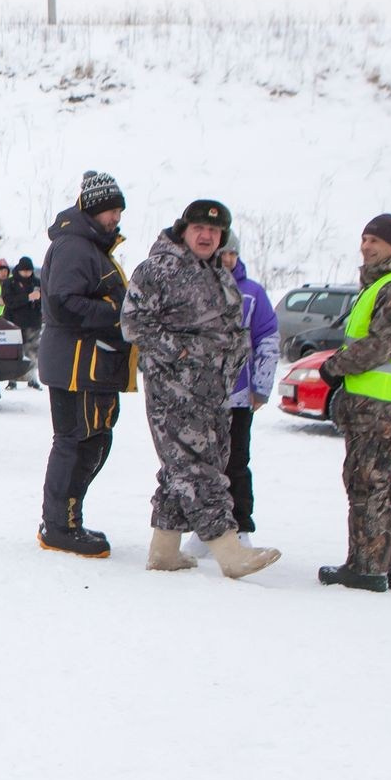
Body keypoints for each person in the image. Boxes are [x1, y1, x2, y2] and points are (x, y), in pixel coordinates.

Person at [120, 200, 281, 579]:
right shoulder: (158, 269)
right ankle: (230, 552)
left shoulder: (215, 272)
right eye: (199, 229)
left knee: (186, 466)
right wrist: (181, 351)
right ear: (183, 231)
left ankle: (164, 551)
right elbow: (133, 323)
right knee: (196, 469)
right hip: (174, 389)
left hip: (213, 391)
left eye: (214, 231)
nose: (207, 236)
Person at [318, 213, 391, 593]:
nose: (366, 247)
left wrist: (335, 366)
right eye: (364, 239)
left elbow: (385, 343)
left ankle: (367, 568)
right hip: (374, 401)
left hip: (381, 405)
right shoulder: (384, 284)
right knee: (386, 481)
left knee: (366, 482)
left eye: (375, 241)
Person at [37, 171, 136, 557]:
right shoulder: (76, 247)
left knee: (93, 442)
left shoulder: (89, 246)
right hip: (78, 364)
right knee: (77, 444)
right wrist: (115, 310)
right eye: (111, 210)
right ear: (93, 209)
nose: (116, 218)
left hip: (90, 365)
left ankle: (66, 520)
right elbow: (63, 302)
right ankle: (59, 526)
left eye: (118, 211)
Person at [220, 233, 278, 544]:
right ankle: (207, 529)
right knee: (203, 464)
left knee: (236, 461)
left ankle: (240, 526)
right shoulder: (199, 288)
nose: (228, 259)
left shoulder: (252, 293)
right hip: (202, 397)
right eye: (223, 253)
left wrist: (261, 386)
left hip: (239, 396)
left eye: (233, 253)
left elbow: (268, 339)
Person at [6, 256, 45, 387]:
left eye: (29, 271)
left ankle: (33, 378)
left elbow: (45, 300)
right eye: (24, 271)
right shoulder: (10, 283)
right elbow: (9, 302)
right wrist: (27, 298)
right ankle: (12, 379)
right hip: (13, 323)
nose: (27, 274)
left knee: (33, 351)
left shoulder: (37, 283)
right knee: (14, 352)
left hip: (33, 322)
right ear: (19, 270)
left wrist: (39, 298)